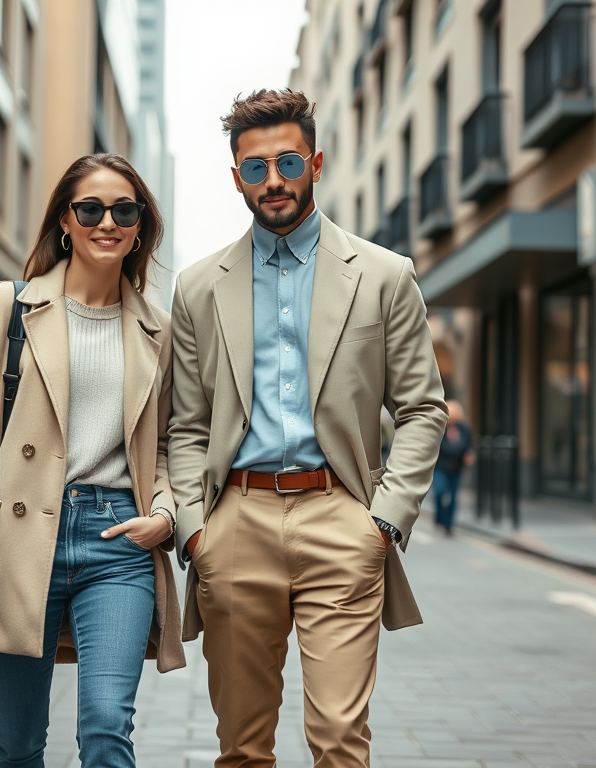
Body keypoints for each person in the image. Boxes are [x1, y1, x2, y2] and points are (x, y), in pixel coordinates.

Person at [168, 89, 447, 767]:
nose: (274, 183)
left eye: (288, 163)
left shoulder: (384, 277)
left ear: (315, 163)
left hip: (342, 521)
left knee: (340, 742)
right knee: (241, 747)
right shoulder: (199, 287)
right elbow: (185, 426)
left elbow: (421, 408)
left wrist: (384, 519)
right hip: (235, 524)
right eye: (256, 169)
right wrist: (195, 527)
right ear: (236, 177)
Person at [0, 153, 185, 768]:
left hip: (120, 540)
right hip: (15, 541)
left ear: (140, 226)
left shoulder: (160, 330)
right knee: (17, 742)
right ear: (65, 222)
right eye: (90, 208)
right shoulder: (6, 307)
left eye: (124, 209)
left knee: (106, 727)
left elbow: (176, 442)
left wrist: (167, 513)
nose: (107, 221)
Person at [432, 400, 473, 535]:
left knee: (453, 497)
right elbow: (437, 447)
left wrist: (469, 455)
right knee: (440, 492)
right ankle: (439, 518)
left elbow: (469, 445)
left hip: (456, 468)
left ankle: (448, 525)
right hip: (440, 467)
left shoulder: (464, 429)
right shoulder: (440, 429)